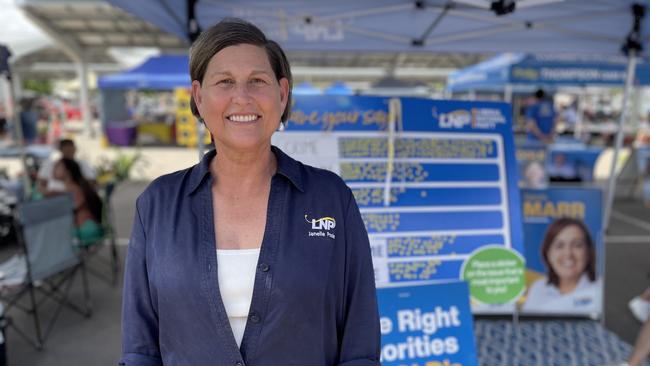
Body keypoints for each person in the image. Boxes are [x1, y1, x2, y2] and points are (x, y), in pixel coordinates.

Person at [120, 18, 380, 365]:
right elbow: (140, 349)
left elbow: (359, 342)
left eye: (257, 81)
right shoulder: (157, 205)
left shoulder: (331, 198)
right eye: (224, 82)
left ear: (282, 93)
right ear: (198, 96)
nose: (241, 97)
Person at [522, 217, 601, 314]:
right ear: (548, 253)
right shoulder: (538, 289)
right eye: (559, 246)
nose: (568, 254)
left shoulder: (601, 290)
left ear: (588, 251)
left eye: (577, 245)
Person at [52, 158, 103, 244]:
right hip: (87, 228)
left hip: (83, 231)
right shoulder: (76, 186)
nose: (54, 168)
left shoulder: (72, 189)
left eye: (58, 166)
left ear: (67, 171)